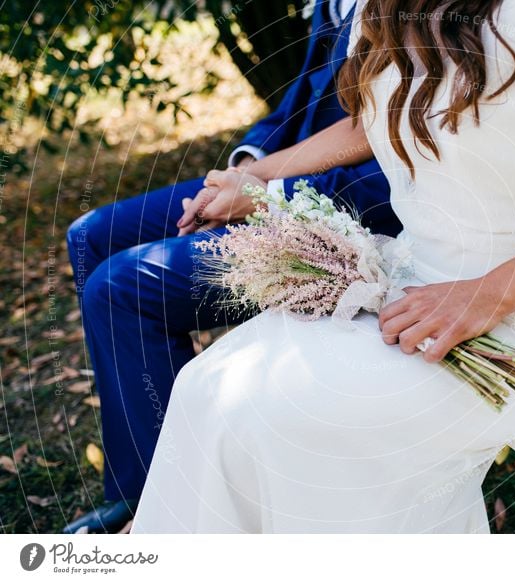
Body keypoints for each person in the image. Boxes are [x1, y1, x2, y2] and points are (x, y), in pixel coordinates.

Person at [130, 0, 515, 533]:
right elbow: (377, 113)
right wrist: (259, 176)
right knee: (209, 390)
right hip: (410, 284)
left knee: (296, 424)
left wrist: (486, 294)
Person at [63, 0, 400, 534]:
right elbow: (302, 101)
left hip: (346, 210)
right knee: (91, 237)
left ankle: (159, 507)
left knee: (118, 289)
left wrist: (267, 194)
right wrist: (243, 167)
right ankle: (145, 445)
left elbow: (388, 169)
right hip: (277, 174)